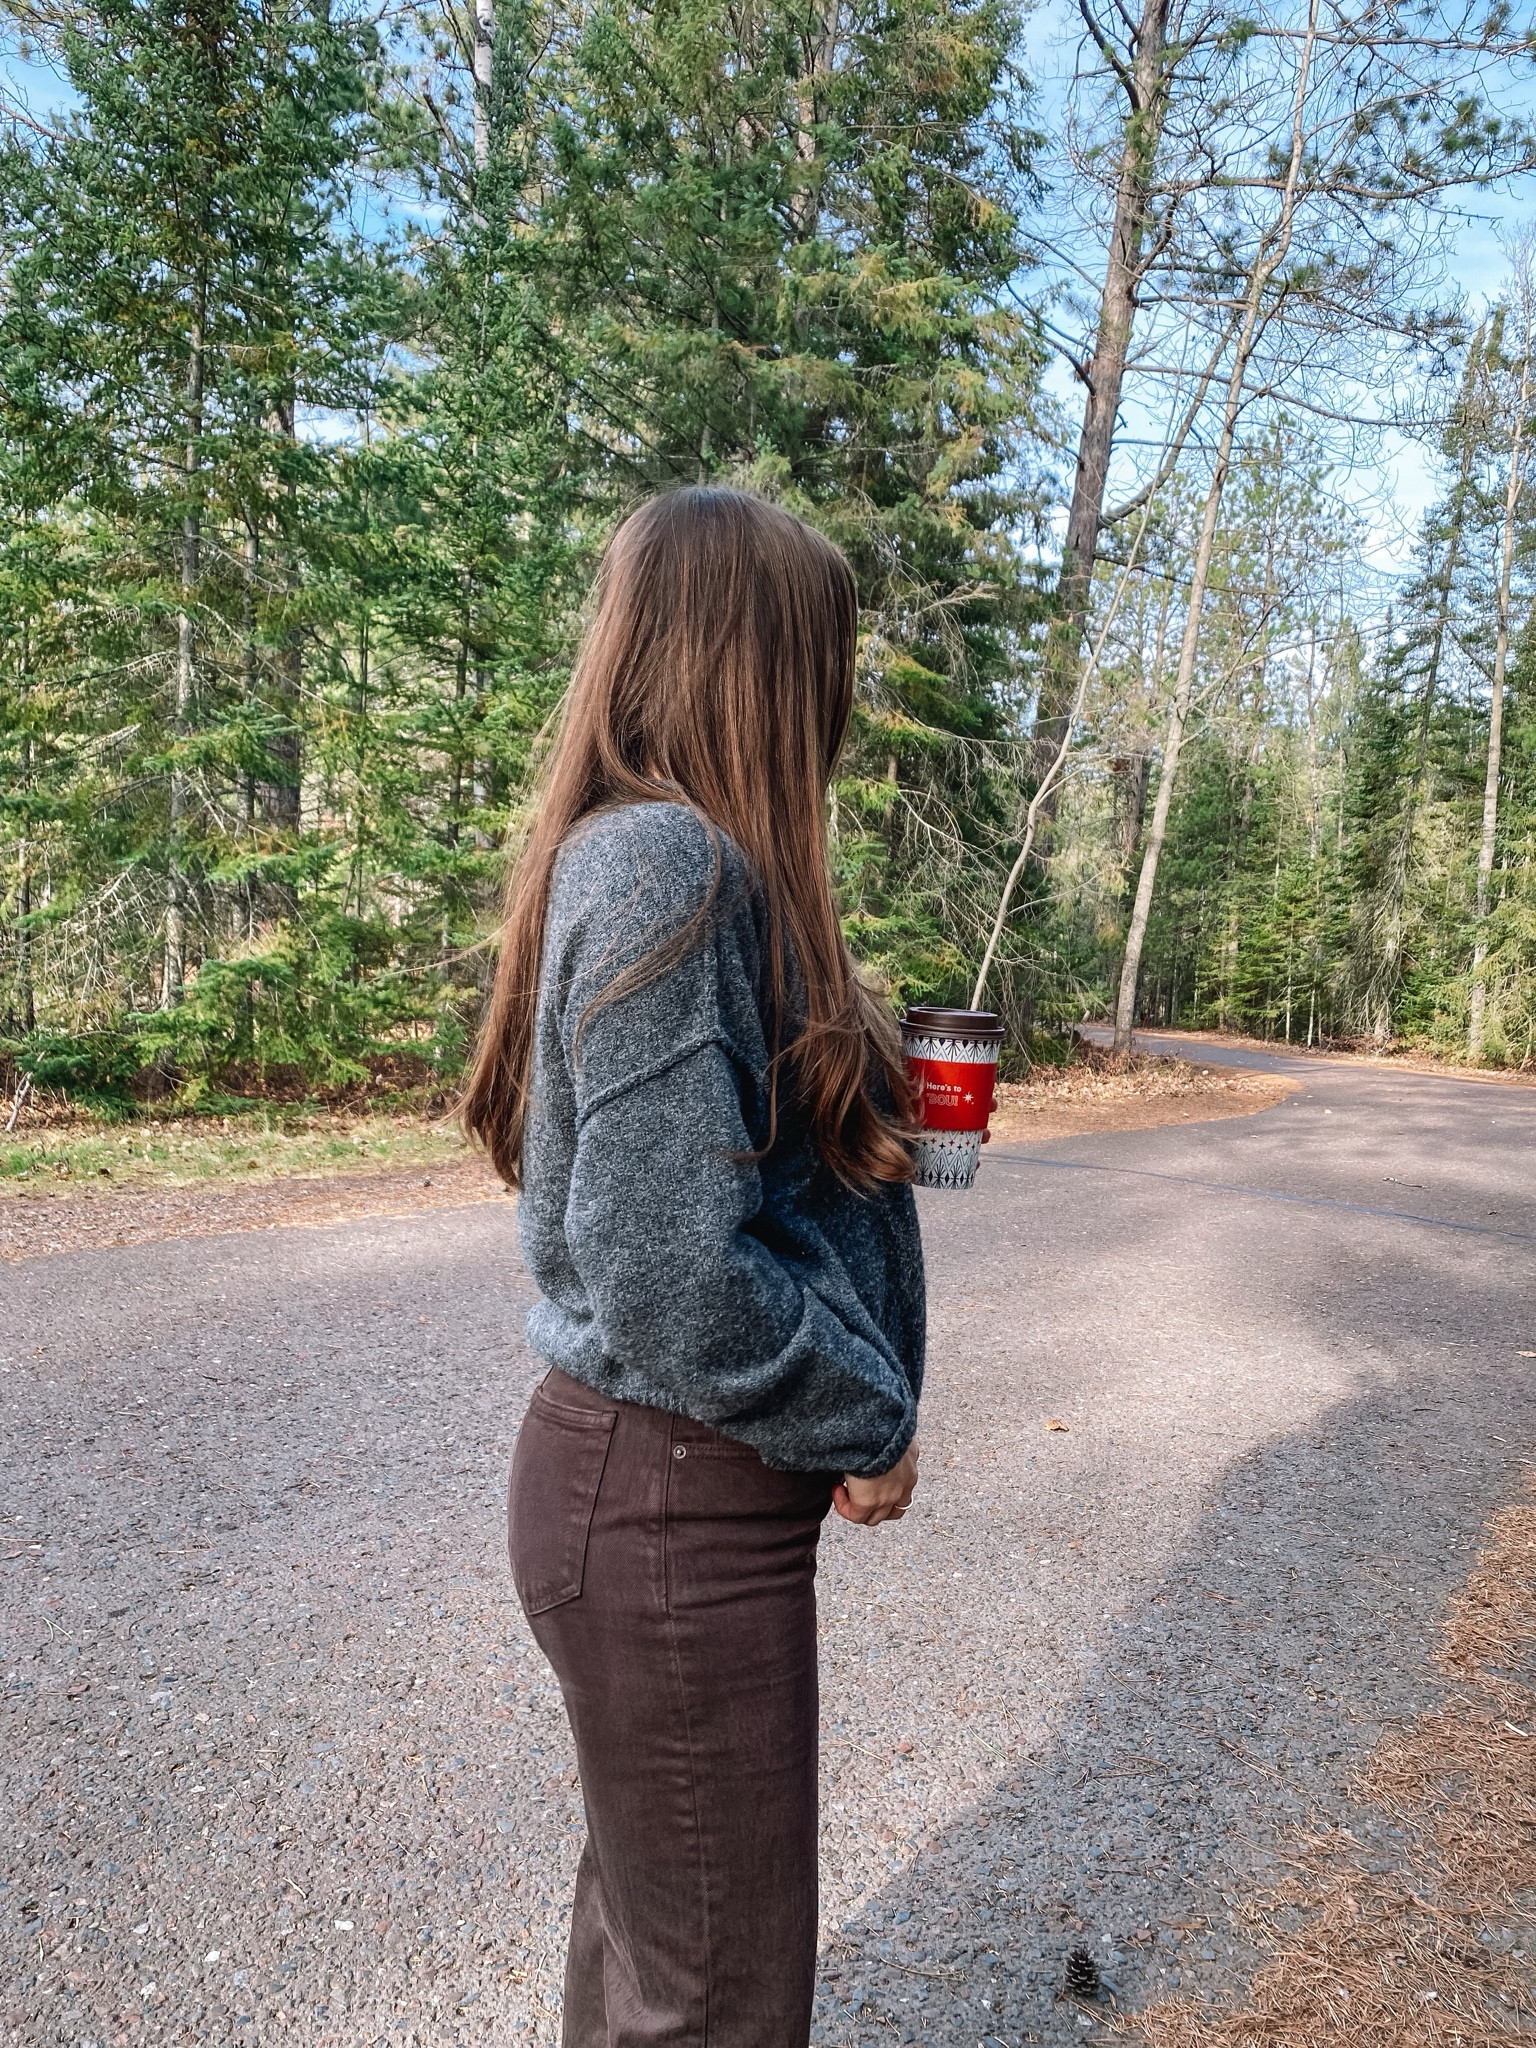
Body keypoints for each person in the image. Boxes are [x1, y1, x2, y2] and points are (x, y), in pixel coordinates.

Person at [462, 485, 926, 2047]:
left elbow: (673, 1184)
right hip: (671, 1504)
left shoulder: (652, 857)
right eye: (825, 663)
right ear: (766, 669)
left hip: (658, 1497)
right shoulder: (673, 865)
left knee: (661, 1952)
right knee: (716, 1996)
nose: (838, 708)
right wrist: (864, 1415)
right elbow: (665, 1270)